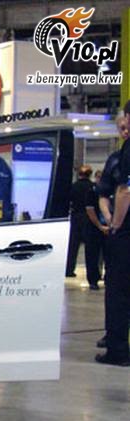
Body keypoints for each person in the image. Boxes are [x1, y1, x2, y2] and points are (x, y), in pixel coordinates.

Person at [96, 102, 130, 366]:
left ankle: (118, 351)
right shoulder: (115, 157)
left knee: (118, 291)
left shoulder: (127, 152)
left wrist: (116, 224)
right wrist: (108, 217)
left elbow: (125, 191)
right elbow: (104, 194)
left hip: (126, 233)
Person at [66, 165, 95, 278]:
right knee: (91, 247)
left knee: (73, 246)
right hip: (89, 217)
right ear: (90, 174)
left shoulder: (73, 186)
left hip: (76, 217)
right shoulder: (92, 186)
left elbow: (68, 201)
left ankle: (69, 270)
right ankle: (91, 273)